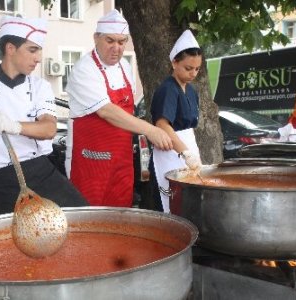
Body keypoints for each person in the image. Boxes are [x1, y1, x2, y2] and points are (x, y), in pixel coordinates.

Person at [0, 15, 88, 215]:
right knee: (19, 241)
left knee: (81, 216)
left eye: (39, 51)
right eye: (32, 50)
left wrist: (15, 126)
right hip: (2, 178)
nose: (38, 58)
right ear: (11, 49)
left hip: (41, 169)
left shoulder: (40, 86)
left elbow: (49, 129)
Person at [65, 9, 173, 207]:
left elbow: (127, 111)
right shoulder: (84, 68)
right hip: (90, 160)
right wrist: (150, 130)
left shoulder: (124, 66)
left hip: (121, 158)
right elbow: (107, 111)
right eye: (110, 40)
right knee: (89, 214)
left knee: (121, 210)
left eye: (122, 41)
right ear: (96, 38)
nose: (116, 47)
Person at [150, 29, 203, 213]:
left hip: (188, 150)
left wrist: (191, 154)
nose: (193, 73)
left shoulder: (192, 91)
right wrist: (185, 153)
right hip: (170, 153)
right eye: (188, 68)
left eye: (197, 69)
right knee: (170, 206)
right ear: (174, 62)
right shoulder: (167, 89)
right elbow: (162, 125)